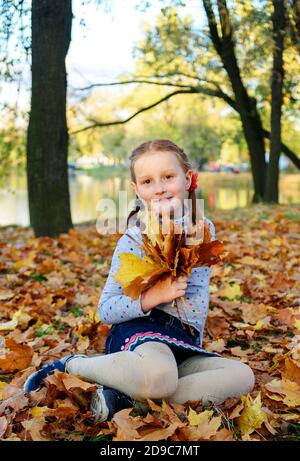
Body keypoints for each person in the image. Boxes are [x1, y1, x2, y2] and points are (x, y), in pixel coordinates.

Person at [24, 139, 255, 423]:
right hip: (139, 335)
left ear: (189, 178)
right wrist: (153, 297)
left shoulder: (203, 229)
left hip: (183, 342)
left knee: (242, 376)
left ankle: (126, 398)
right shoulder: (133, 240)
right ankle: (73, 365)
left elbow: (197, 299)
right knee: (159, 374)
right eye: (147, 181)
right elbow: (106, 309)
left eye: (168, 177)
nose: (159, 188)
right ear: (136, 190)